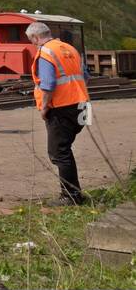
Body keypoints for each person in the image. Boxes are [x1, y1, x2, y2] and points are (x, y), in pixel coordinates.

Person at [26, 21, 91, 205]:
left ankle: (71, 197)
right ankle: (73, 193)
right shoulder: (69, 48)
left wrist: (45, 107)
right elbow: (85, 77)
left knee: (58, 152)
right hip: (82, 105)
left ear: (35, 37)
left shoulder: (45, 52)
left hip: (62, 108)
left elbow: (47, 84)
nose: (32, 44)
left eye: (31, 40)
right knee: (65, 150)